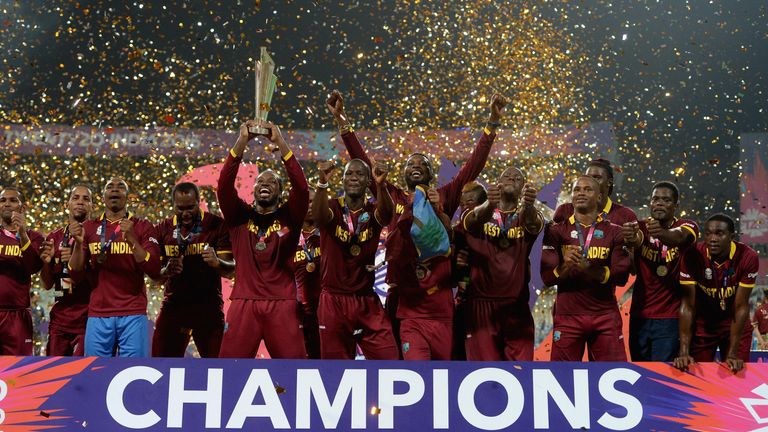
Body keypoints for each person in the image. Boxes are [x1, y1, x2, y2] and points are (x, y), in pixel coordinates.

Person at [327, 90, 506, 360]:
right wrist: (342, 120)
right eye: (411, 164)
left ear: (431, 174)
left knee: (439, 366)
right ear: (403, 173)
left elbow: (473, 165)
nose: (416, 166)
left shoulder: (445, 195)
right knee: (401, 360)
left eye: (422, 164)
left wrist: (492, 122)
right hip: (403, 294)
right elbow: (363, 162)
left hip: (438, 294)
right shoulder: (394, 196)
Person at [216, 120, 309, 359]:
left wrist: (280, 142)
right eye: (260, 182)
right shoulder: (239, 216)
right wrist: (241, 142)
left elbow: (301, 188)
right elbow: (223, 186)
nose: (264, 184)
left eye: (272, 183)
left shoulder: (290, 216)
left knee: (294, 370)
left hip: (282, 302)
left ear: (279, 192)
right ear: (254, 190)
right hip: (244, 301)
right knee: (229, 369)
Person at [312, 158, 399, 359]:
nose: (354, 178)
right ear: (342, 180)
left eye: (360, 174)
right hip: (333, 299)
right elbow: (318, 216)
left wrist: (381, 185)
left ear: (368, 180)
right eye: (349, 174)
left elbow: (387, 215)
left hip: (365, 299)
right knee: (336, 368)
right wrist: (323, 182)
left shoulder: (372, 210)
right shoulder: (333, 206)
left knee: (389, 359)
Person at [69, 178, 161, 357]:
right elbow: (76, 274)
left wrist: (132, 239)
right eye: (110, 187)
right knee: (95, 371)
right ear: (103, 197)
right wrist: (79, 245)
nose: (115, 190)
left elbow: (154, 269)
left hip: (133, 312)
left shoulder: (142, 227)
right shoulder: (88, 228)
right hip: (98, 313)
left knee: (134, 371)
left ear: (127, 197)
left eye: (121, 187)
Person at [541, 176, 631, 361]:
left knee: (612, 375)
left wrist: (588, 268)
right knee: (561, 378)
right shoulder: (556, 231)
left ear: (599, 197)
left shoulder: (615, 232)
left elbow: (621, 277)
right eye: (576, 190)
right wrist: (566, 266)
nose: (581, 193)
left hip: (605, 316)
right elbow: (547, 279)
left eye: (588, 189)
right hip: (568, 317)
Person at [458, 168, 544, 361]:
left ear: (523, 187)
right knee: (484, 374)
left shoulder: (529, 215)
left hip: (516, 307)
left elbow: (534, 224)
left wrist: (528, 206)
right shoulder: (477, 212)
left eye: (517, 178)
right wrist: (490, 204)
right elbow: (473, 221)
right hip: (481, 306)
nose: (512, 178)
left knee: (521, 373)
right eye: (507, 176)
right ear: (497, 183)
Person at [153, 182, 234, 358]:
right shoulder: (162, 229)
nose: (185, 213)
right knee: (161, 364)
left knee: (217, 368)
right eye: (180, 208)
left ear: (199, 202)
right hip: (174, 307)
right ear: (173, 204)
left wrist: (217, 262)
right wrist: (166, 271)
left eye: (190, 207)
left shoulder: (216, 225)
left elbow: (230, 270)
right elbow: (155, 279)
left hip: (208, 308)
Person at [622, 181, 698, 361]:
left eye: (666, 200)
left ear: (676, 206)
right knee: (640, 372)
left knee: (662, 374)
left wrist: (662, 233)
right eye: (655, 199)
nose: (659, 203)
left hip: (670, 318)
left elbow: (679, 236)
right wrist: (631, 241)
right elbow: (636, 241)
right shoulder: (640, 227)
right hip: (639, 315)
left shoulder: (688, 226)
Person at [674, 214, 760, 373]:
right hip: (704, 326)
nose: (712, 238)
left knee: (736, 375)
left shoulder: (748, 257)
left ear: (731, 237)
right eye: (708, 233)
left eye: (719, 234)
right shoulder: (692, 255)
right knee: (695, 373)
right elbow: (687, 305)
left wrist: (733, 353)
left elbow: (741, 306)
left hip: (734, 324)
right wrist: (684, 351)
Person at [39, 185, 94, 356]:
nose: (80, 202)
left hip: (89, 317)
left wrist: (77, 259)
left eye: (86, 199)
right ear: (67, 204)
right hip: (61, 318)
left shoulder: (97, 236)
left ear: (92, 206)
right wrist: (47, 263)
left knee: (82, 374)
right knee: (55, 375)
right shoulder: (54, 238)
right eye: (76, 197)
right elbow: (47, 284)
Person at [0, 187, 44, 355]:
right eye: (3, 200)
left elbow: (33, 267)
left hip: (17, 315)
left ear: (22, 207)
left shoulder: (35, 237)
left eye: (13, 200)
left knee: (17, 372)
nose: (7, 204)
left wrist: (22, 234)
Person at [553, 158, 637, 226]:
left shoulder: (625, 215)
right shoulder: (565, 211)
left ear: (609, 182)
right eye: (588, 177)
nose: (591, 182)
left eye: (597, 178)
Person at [295, 190, 322, 359]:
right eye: (306, 202)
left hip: (328, 308)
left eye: (313, 202)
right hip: (300, 312)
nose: (310, 206)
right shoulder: (288, 237)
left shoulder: (329, 232)